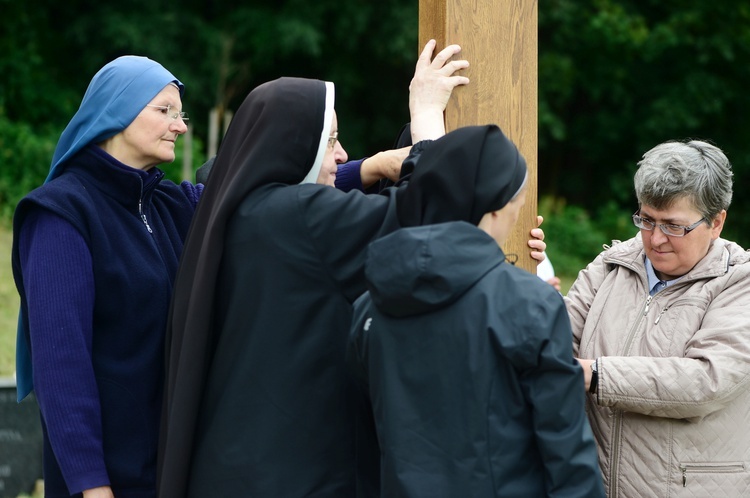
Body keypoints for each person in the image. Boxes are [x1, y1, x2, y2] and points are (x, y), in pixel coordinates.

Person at [157, 70, 550, 497]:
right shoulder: (297, 216)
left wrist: (383, 164)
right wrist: (426, 121)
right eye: (330, 140)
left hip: (239, 464)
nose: (343, 155)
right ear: (294, 145)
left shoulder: (242, 209)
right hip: (291, 474)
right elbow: (426, 214)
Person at [346, 125, 605, 497]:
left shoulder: (369, 305)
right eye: (518, 205)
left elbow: (365, 442)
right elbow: (565, 449)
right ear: (498, 208)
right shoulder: (530, 305)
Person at [11, 56, 200, 498]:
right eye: (165, 111)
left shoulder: (167, 204)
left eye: (182, 114)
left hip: (169, 473)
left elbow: (254, 195)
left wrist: (367, 171)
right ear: (117, 110)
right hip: (107, 483)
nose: (181, 126)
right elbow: (61, 368)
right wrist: (91, 486)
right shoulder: (61, 216)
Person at [566, 139, 750, 496]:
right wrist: (521, 266)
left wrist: (596, 374)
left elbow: (705, 381)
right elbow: (553, 341)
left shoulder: (740, 282)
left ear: (716, 223)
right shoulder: (611, 265)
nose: (655, 239)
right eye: (646, 219)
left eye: (673, 226)